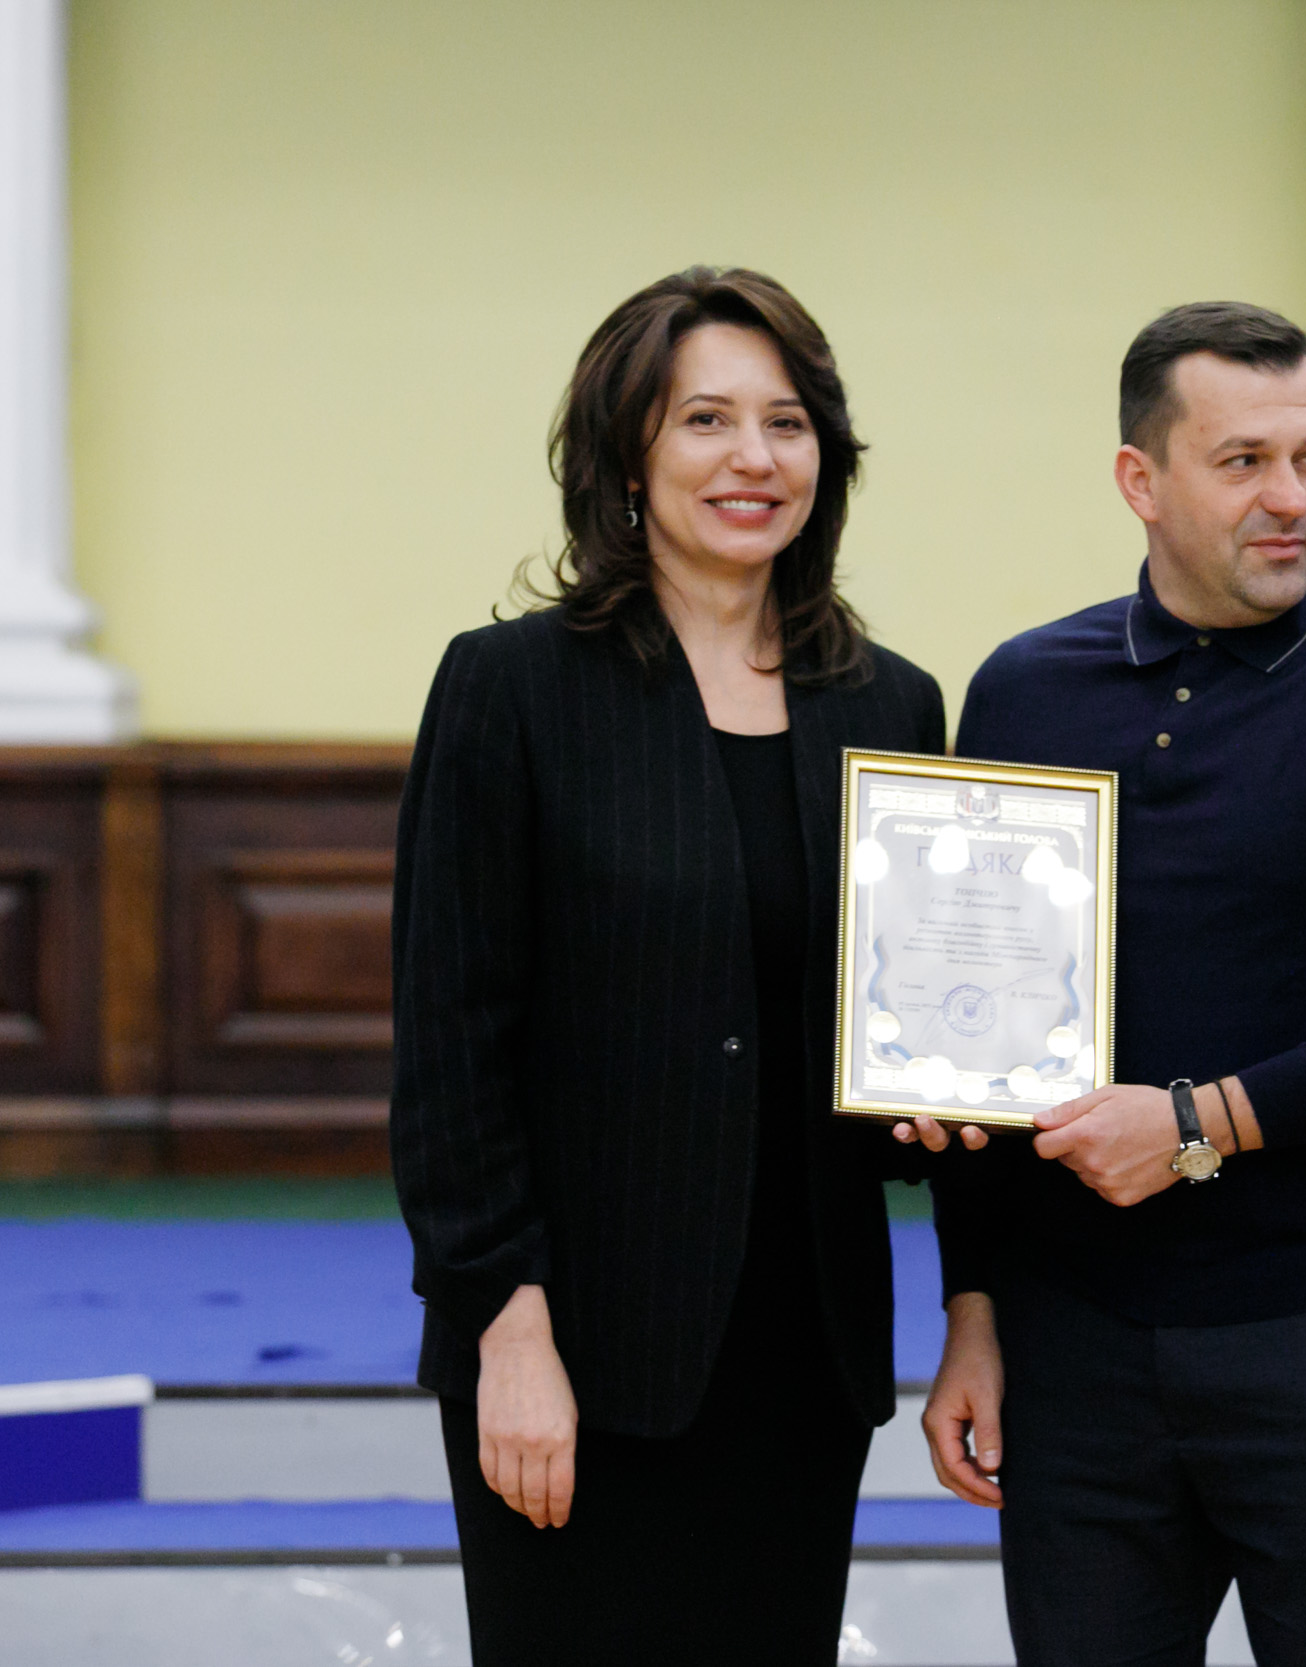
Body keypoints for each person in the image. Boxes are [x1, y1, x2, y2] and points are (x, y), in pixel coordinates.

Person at [919, 302, 1306, 1665]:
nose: (1292, 500)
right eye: (1245, 462)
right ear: (1140, 480)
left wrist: (1196, 1127)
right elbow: (981, 1040)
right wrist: (973, 1312)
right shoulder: (1024, 692)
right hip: (1073, 1349)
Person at [390, 267, 948, 1664]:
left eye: (787, 422)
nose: (753, 457)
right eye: (707, 419)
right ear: (627, 454)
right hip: (574, 1347)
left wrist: (940, 1101)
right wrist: (507, 1332)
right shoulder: (511, 690)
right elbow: (451, 1050)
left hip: (804, 1352)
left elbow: (893, 1026)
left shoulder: (890, 704)